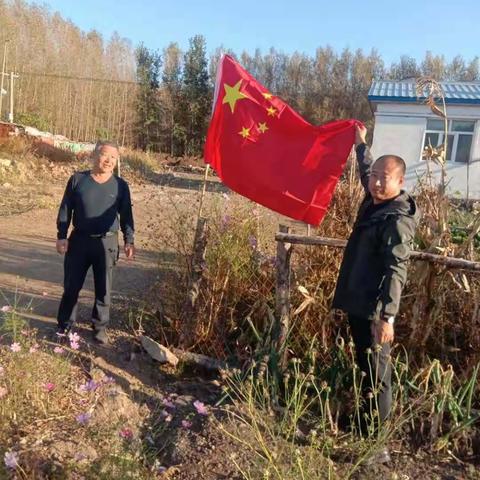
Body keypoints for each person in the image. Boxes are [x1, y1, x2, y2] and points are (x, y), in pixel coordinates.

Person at [332, 125, 419, 462]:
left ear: (400, 183)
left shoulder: (397, 218)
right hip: (359, 301)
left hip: (375, 309)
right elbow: (366, 169)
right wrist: (361, 144)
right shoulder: (375, 198)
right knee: (365, 368)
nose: (377, 182)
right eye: (376, 177)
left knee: (379, 375)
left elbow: (398, 269)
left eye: (385, 178)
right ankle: (364, 427)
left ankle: (376, 446)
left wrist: (387, 316)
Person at [55, 140, 135, 344]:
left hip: (106, 244)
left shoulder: (120, 186)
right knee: (71, 286)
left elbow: (126, 215)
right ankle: (64, 325)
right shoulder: (78, 180)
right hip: (79, 241)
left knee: (104, 289)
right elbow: (66, 209)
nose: (109, 161)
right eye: (105, 155)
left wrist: (129, 240)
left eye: (113, 157)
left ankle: (99, 328)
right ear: (95, 155)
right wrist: (62, 235)